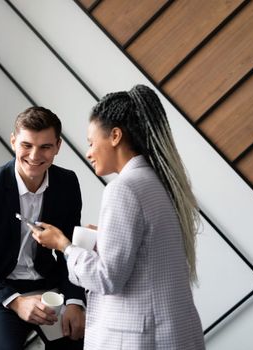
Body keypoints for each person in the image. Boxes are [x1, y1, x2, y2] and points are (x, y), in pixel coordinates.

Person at [31, 85, 205, 349]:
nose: (88, 152)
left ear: (114, 136)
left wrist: (64, 246)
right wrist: (105, 238)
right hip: (174, 330)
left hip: (141, 337)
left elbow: (107, 278)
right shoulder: (161, 181)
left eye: (91, 142)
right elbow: (151, 250)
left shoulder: (122, 189)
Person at [0, 106, 86, 350]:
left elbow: (69, 250)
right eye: (27, 145)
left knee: (80, 342)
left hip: (47, 285)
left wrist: (76, 301)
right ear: (13, 142)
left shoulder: (67, 184)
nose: (35, 156)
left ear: (58, 146)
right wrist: (16, 302)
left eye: (45, 146)